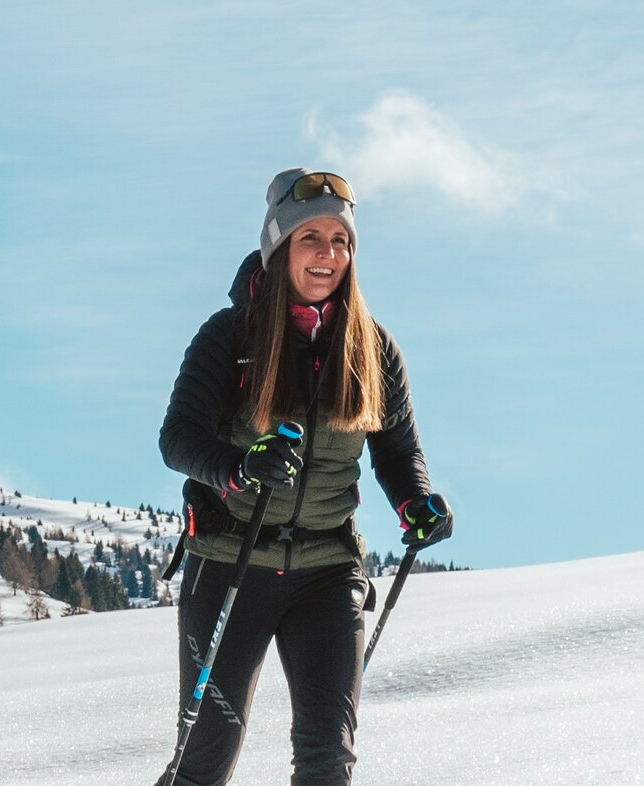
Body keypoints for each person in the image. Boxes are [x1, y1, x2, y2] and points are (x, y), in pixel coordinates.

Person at [156, 168, 455, 786]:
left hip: (327, 568)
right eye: (310, 238)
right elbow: (178, 438)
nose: (328, 254)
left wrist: (417, 503)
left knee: (327, 759)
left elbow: (397, 451)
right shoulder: (230, 336)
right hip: (231, 561)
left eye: (340, 241)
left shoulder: (372, 347)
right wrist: (239, 469)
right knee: (206, 758)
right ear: (278, 246)